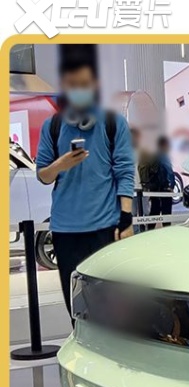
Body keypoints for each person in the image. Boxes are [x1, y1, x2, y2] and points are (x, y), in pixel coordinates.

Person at [35, 56, 135, 316]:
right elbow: (43, 175)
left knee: (112, 304)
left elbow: (125, 172)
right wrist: (61, 165)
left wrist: (126, 220)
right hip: (65, 230)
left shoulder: (113, 123)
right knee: (76, 306)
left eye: (84, 84)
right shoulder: (52, 126)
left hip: (105, 228)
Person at [140, 135, 175, 228]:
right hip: (164, 188)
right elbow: (169, 172)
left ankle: (150, 230)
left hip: (155, 187)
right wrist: (171, 185)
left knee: (155, 210)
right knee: (166, 213)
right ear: (164, 145)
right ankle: (166, 231)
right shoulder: (163, 156)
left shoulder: (153, 155)